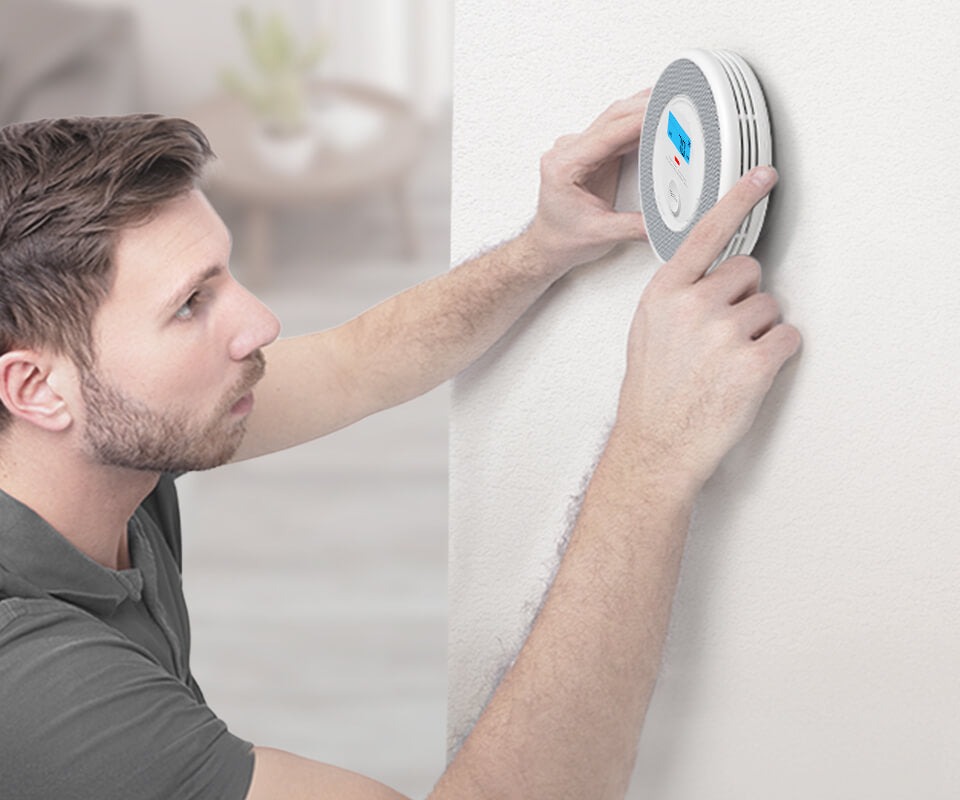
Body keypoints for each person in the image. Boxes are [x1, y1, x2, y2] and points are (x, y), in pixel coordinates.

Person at [0, 89, 799, 799]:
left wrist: (542, 247)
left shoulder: (97, 439)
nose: (261, 323)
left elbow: (355, 363)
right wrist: (653, 455)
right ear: (36, 390)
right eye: (190, 305)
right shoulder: (34, 689)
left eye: (225, 275)